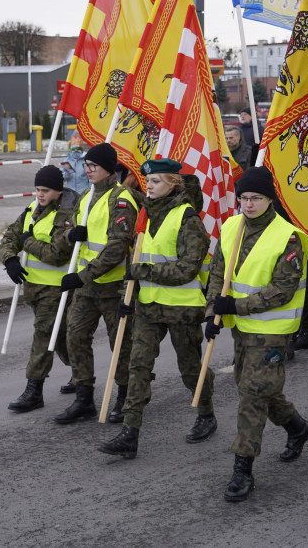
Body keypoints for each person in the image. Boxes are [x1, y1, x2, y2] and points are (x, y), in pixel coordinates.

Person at [203, 166, 308, 502]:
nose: (248, 204)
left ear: (270, 199)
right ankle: (298, 428)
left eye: (256, 198)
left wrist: (234, 307)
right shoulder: (231, 227)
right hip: (242, 329)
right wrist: (213, 313)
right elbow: (217, 274)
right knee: (259, 388)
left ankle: (242, 469)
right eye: (244, 198)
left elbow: (282, 289)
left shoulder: (288, 236)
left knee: (252, 393)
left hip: (272, 331)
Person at [98, 159, 216, 459]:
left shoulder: (187, 218)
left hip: (182, 308)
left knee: (190, 371)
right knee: (138, 367)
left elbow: (188, 268)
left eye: (156, 182)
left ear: (174, 184)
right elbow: (138, 260)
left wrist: (144, 273)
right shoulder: (145, 215)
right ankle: (130, 432)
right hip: (148, 308)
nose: (148, 186)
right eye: (147, 181)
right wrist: (130, 296)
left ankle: (206, 413)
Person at [54, 143, 138, 425]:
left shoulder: (121, 199)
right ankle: (83, 398)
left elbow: (117, 247)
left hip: (113, 288)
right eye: (86, 166)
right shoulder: (86, 197)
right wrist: (71, 235)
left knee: (121, 345)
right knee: (74, 336)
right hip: (86, 289)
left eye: (93, 166)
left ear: (109, 169)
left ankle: (126, 397)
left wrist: (82, 275)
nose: (87, 170)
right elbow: (69, 233)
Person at [0, 165, 77, 413]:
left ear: (58, 190)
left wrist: (28, 243)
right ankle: (81, 373)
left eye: (45, 190)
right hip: (33, 288)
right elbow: (10, 236)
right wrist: (10, 259)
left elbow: (57, 254)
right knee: (61, 336)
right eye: (37, 190)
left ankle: (34, 390)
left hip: (56, 290)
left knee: (43, 336)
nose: (40, 195)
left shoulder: (67, 215)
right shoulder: (32, 209)